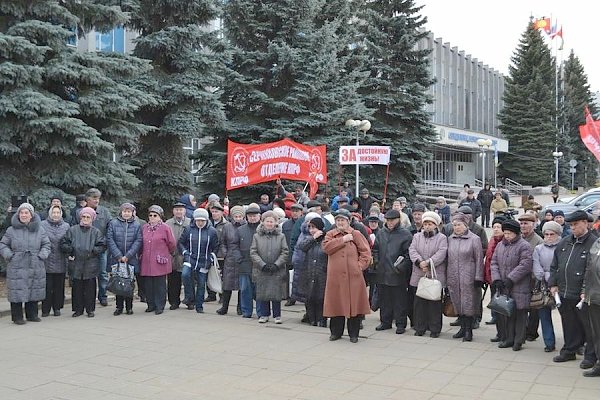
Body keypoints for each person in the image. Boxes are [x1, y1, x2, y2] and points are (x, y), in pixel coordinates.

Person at [549, 210, 598, 368]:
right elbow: (555, 265)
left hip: (583, 294)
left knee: (588, 327)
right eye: (570, 225)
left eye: (576, 224)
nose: (573, 228)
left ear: (585, 223)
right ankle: (569, 350)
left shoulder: (593, 243)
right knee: (569, 324)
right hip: (564, 291)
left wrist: (585, 289)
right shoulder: (565, 242)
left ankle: (590, 356)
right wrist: (553, 283)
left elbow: (591, 270)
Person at [322, 209, 371, 343]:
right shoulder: (331, 234)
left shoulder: (356, 234)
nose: (340, 223)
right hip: (335, 278)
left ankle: (353, 334)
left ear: (348, 221)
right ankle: (335, 333)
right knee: (336, 305)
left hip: (353, 277)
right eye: (338, 220)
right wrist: (342, 240)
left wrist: (359, 266)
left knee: (354, 305)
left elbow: (366, 252)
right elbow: (326, 248)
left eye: (343, 220)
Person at [0, 203, 51, 324]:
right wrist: (9, 255)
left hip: (35, 263)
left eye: (26, 213)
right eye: (21, 213)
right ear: (18, 215)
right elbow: (3, 245)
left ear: (31, 215)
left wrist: (41, 256)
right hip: (17, 264)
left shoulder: (40, 229)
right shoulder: (11, 230)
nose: (23, 215)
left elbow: (46, 245)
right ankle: (17, 317)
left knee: (34, 288)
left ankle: (32, 315)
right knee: (17, 290)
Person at [491, 220, 534, 351]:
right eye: (506, 233)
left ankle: (518, 340)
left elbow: (525, 264)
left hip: (519, 285)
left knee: (520, 313)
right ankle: (509, 338)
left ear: (516, 233)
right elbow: (494, 262)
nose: (507, 236)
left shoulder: (524, 246)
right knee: (507, 313)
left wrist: (511, 278)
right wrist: (497, 279)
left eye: (510, 233)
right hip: (504, 285)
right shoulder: (500, 245)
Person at [372, 209, 413, 335]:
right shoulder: (381, 233)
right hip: (382, 272)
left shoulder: (405, 234)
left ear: (398, 220)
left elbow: (408, 254)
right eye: (388, 220)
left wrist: (401, 267)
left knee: (399, 301)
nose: (389, 223)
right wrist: (377, 262)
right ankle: (385, 321)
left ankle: (401, 324)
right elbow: (376, 249)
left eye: (392, 220)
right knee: (384, 299)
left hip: (397, 273)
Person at [408, 211, 448, 338]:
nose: (427, 226)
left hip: (435, 274)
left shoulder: (441, 238)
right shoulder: (417, 236)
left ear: (435, 225)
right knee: (419, 303)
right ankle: (420, 327)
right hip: (419, 273)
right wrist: (419, 262)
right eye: (425, 224)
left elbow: (441, 253)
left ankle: (435, 328)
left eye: (430, 224)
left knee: (434, 303)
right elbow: (412, 250)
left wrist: (429, 263)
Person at [61, 207, 105, 318]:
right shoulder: (73, 230)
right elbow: (64, 243)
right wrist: (70, 249)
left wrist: (93, 251)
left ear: (92, 219)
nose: (85, 219)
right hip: (76, 263)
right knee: (77, 288)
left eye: (88, 217)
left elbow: (102, 245)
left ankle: (90, 309)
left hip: (90, 263)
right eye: (84, 216)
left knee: (90, 288)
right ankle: (78, 309)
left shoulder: (96, 232)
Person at [446, 212, 483, 341]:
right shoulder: (450, 239)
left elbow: (479, 259)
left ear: (466, 225)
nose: (457, 227)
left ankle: (468, 330)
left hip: (469, 276)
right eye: (454, 225)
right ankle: (462, 328)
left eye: (459, 225)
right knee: (457, 302)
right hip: (453, 276)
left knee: (468, 303)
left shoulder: (474, 239)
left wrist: (479, 277)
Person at [250, 210, 289, 324]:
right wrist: (262, 264)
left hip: (276, 269)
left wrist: (277, 264)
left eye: (272, 221)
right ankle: (264, 314)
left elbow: (285, 252)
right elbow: (253, 252)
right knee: (263, 293)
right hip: (261, 269)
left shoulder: (281, 236)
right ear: (263, 222)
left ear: (276, 223)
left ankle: (277, 315)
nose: (269, 224)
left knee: (276, 294)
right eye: (267, 221)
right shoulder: (257, 236)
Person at [179, 208, 218, 313]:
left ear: (206, 220)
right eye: (198, 220)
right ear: (194, 220)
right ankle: (189, 296)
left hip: (204, 261)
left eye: (202, 221)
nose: (200, 223)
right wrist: (185, 253)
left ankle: (199, 306)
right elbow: (181, 243)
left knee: (201, 284)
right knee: (185, 274)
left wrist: (211, 257)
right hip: (190, 258)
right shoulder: (188, 229)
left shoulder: (212, 231)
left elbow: (216, 246)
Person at [106, 203, 143, 316]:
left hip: (130, 259)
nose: (126, 213)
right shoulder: (113, 223)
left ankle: (129, 307)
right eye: (124, 211)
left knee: (129, 283)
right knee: (118, 282)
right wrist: (118, 255)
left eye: (129, 211)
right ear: (121, 212)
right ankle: (119, 307)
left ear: (132, 213)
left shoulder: (137, 225)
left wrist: (128, 255)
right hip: (116, 259)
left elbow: (138, 241)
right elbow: (110, 239)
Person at [140, 205, 177, 315]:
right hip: (147, 260)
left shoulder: (165, 228)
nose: (152, 217)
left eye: (155, 215)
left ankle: (160, 305)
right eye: (150, 215)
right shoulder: (145, 228)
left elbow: (172, 244)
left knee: (159, 285)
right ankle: (150, 304)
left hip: (159, 260)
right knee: (148, 284)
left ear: (160, 217)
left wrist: (165, 253)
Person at [532, 221, 562, 352]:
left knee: (566, 316)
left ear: (558, 235)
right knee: (544, 315)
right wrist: (547, 276)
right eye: (546, 234)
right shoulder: (538, 249)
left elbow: (562, 267)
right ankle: (549, 342)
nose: (549, 237)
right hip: (543, 287)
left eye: (552, 234)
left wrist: (551, 277)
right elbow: (537, 269)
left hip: (560, 286)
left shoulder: (562, 248)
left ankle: (573, 343)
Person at [80, 188, 112, 307]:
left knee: (103, 273)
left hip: (101, 248)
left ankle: (103, 296)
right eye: (94, 198)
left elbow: (110, 229)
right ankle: (87, 297)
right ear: (87, 199)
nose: (97, 200)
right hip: (85, 249)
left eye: (98, 198)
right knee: (86, 274)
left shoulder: (104, 212)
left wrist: (104, 244)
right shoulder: (81, 212)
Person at [296, 217, 328, 327]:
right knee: (309, 296)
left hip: (322, 272)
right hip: (309, 271)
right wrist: (313, 238)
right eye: (310, 227)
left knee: (321, 297)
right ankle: (311, 318)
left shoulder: (326, 240)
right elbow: (301, 247)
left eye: (314, 227)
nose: (311, 230)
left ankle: (321, 319)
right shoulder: (309, 239)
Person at [517, 213, 544, 342]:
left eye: (526, 223)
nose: (523, 226)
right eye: (521, 223)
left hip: (533, 279)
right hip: (520, 279)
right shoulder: (518, 238)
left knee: (533, 307)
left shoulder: (538, 240)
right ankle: (523, 329)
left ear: (533, 224)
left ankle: (532, 332)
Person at [40, 205, 70, 317]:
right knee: (47, 286)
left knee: (59, 286)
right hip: (46, 260)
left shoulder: (66, 226)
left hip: (61, 260)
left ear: (61, 214)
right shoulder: (42, 225)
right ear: (50, 213)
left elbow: (68, 241)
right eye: (54, 212)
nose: (56, 215)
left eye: (58, 212)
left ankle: (57, 308)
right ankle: (45, 309)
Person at [216, 205, 243, 315]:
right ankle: (224, 307)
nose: (237, 218)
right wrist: (225, 253)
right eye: (235, 216)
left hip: (241, 258)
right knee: (227, 283)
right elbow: (222, 242)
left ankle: (240, 307)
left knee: (242, 284)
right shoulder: (227, 227)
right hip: (229, 258)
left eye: (240, 216)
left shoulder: (245, 227)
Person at [237, 204, 262, 318]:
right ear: (246, 217)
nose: (252, 218)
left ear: (259, 216)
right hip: (244, 263)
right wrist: (239, 258)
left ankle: (261, 312)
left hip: (260, 264)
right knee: (245, 290)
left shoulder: (263, 229)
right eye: (250, 216)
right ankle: (246, 311)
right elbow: (234, 246)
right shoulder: (241, 230)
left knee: (259, 291)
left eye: (255, 215)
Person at [165, 202, 191, 310]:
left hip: (187, 256)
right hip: (173, 256)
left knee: (188, 280)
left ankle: (190, 301)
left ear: (185, 211)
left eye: (181, 210)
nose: (179, 212)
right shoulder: (168, 223)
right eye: (176, 210)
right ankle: (174, 302)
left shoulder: (190, 222)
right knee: (173, 281)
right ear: (173, 211)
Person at [484, 216, 507, 339]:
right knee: (497, 306)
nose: (496, 229)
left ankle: (506, 333)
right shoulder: (492, 240)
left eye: (498, 227)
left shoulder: (505, 241)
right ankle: (500, 333)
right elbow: (488, 260)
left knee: (504, 307)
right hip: (492, 278)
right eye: (494, 227)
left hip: (502, 280)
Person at [583, 233, 600, 377]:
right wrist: (585, 289)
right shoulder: (596, 244)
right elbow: (589, 269)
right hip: (594, 297)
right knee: (597, 333)